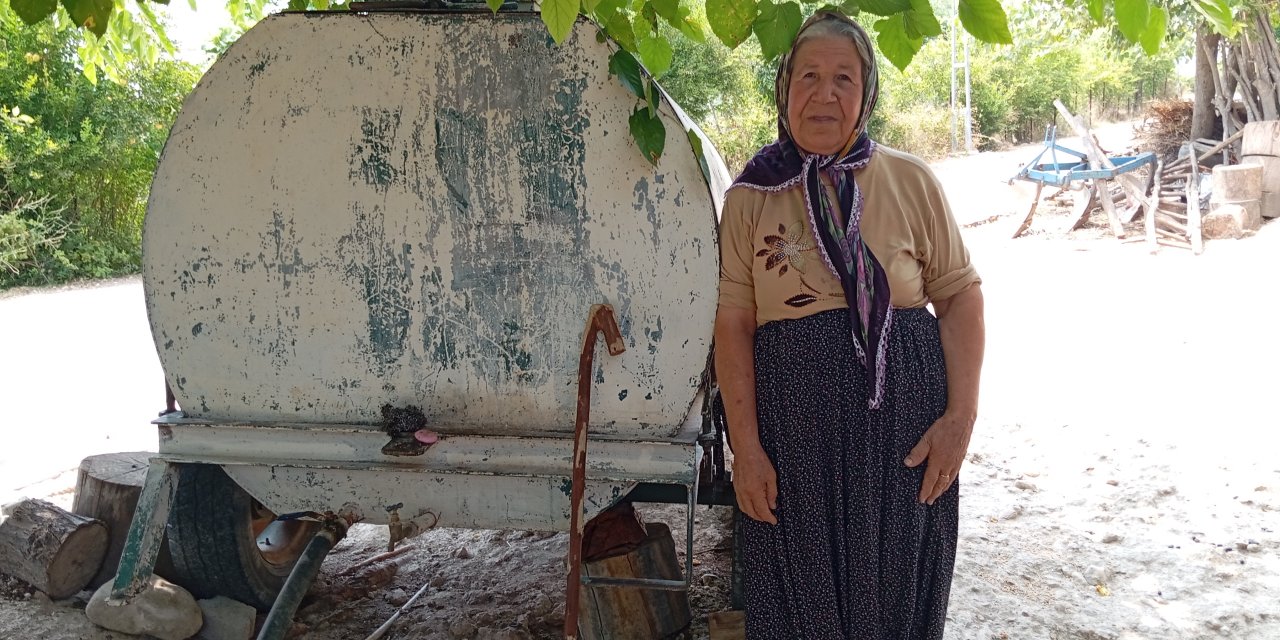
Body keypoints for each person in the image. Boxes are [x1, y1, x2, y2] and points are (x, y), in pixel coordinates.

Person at [713, 10, 986, 639]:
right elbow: (734, 326)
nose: (825, 92)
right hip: (795, 443)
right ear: (784, 91)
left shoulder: (910, 180)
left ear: (866, 97)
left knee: (896, 605)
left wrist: (959, 421)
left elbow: (962, 298)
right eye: (809, 75)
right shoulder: (751, 197)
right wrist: (746, 449)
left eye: (845, 77)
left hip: (903, 441)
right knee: (799, 607)